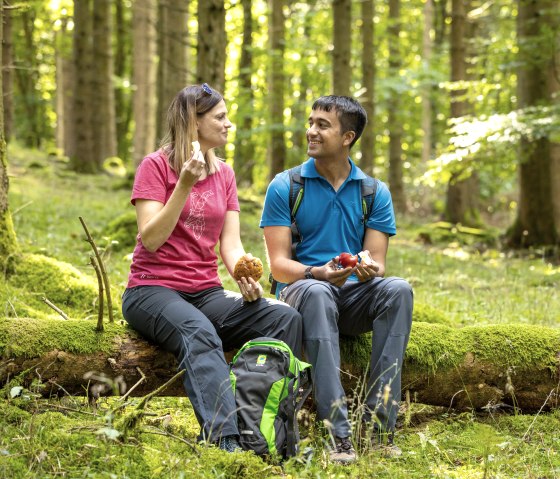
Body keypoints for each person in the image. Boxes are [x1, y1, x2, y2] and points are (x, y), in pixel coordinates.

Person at [122, 83, 302, 453]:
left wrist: (244, 274)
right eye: (220, 117)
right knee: (199, 332)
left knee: (284, 318)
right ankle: (226, 439)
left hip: (205, 291)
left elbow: (231, 245)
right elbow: (151, 239)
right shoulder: (154, 167)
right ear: (193, 121)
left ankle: (263, 427)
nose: (229, 124)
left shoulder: (225, 174)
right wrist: (184, 185)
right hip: (150, 290)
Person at [260, 95, 413, 463]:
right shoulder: (286, 186)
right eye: (310, 122)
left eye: (322, 125)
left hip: (352, 297)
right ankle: (338, 434)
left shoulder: (373, 192)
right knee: (317, 292)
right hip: (302, 294)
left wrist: (367, 269)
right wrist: (316, 272)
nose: (311, 131)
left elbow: (377, 261)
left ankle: (379, 428)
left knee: (399, 291)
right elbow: (279, 265)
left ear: (347, 137)